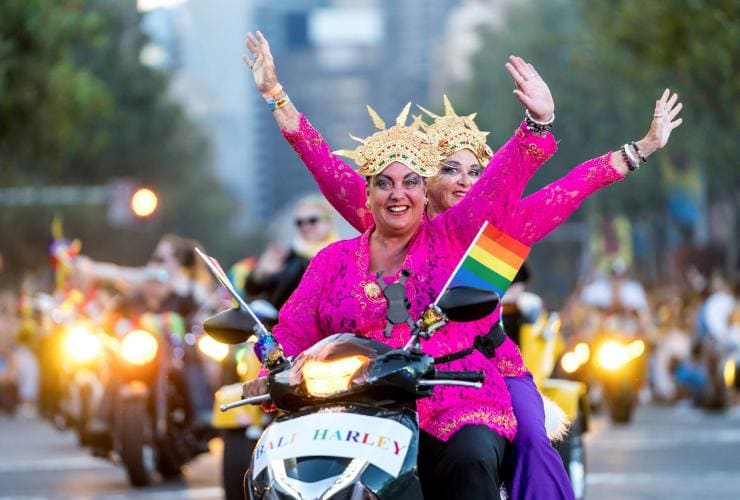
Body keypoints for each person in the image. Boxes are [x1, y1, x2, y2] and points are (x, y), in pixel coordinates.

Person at [244, 30, 683, 499]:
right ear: (369, 194)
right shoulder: (343, 248)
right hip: (364, 396)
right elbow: (320, 165)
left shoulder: (473, 230)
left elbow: (562, 185)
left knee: (514, 445)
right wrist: (275, 94)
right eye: (450, 169)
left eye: (476, 171)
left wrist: (551, 126)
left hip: (463, 379)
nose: (399, 193)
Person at [245, 195, 337, 309]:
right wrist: (261, 273)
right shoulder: (287, 257)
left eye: (312, 220)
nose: (305, 226)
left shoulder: (342, 255)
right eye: (299, 222)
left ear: (328, 222)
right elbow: (252, 290)